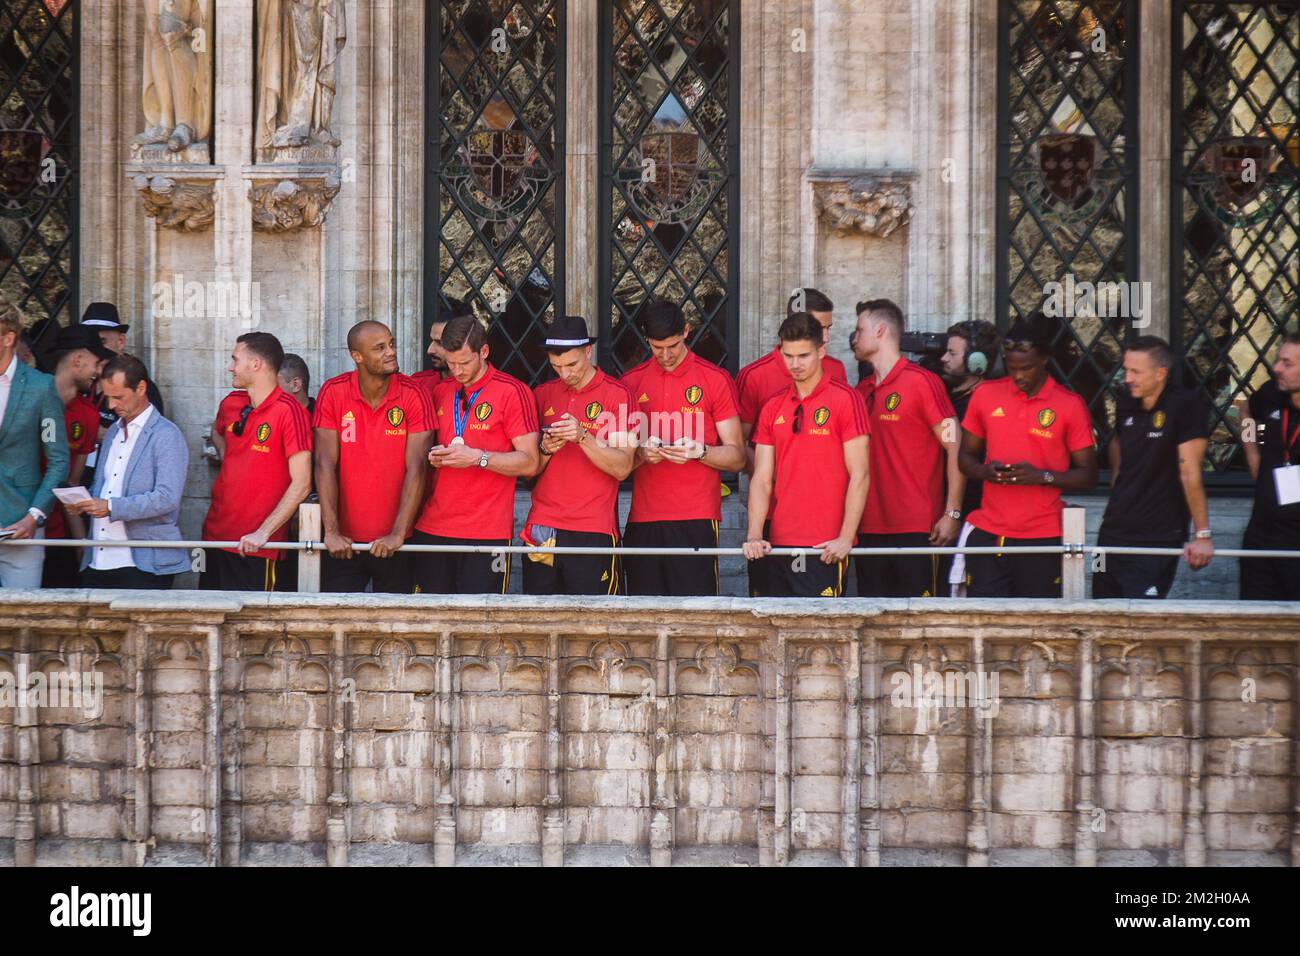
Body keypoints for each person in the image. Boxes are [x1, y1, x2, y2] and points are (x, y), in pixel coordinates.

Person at [958, 313, 1097, 598]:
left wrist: (1041, 476)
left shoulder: (1069, 405)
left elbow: (1088, 475)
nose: (1019, 376)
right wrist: (986, 472)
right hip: (989, 532)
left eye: (1027, 368)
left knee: (1037, 628)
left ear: (1044, 360)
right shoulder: (985, 395)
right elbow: (964, 458)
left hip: (1042, 536)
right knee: (983, 625)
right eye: (1012, 368)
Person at [620, 301, 746, 595]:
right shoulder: (631, 382)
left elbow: (738, 457)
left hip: (695, 517)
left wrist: (700, 452)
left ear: (687, 331)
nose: (665, 355)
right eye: (656, 347)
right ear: (645, 338)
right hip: (643, 518)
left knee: (696, 612)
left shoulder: (714, 379)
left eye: (673, 346)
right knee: (642, 612)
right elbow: (617, 460)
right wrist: (641, 455)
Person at [743, 312, 869, 598]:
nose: (795, 364)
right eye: (788, 356)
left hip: (825, 547)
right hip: (777, 543)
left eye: (803, 355)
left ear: (821, 351)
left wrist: (846, 537)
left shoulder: (846, 400)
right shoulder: (773, 406)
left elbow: (859, 473)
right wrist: (754, 535)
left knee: (822, 639)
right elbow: (762, 478)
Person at [410, 316, 539, 594]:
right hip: (432, 527)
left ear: (484, 352)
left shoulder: (512, 391)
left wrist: (478, 458)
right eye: (451, 362)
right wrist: (435, 457)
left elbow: (529, 462)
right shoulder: (441, 391)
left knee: (482, 628)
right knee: (428, 624)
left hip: (486, 533)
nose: (457, 370)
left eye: (465, 363)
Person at [851, 299, 963, 597]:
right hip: (867, 527)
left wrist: (951, 513)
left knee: (921, 627)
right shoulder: (860, 391)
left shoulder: (922, 383)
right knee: (872, 623)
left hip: (918, 528)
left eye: (859, 330)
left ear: (881, 331)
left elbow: (955, 445)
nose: (854, 338)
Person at [313, 321, 432, 593]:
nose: (391, 352)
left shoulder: (414, 394)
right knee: (337, 627)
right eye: (380, 348)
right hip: (344, 544)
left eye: (391, 344)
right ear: (357, 356)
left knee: (397, 630)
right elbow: (324, 463)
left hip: (399, 542)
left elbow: (417, 467)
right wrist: (331, 531)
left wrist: (398, 533)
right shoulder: (333, 392)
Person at [1093, 336, 1213, 599]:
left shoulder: (1186, 405)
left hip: (1157, 535)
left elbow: (1190, 471)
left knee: (1142, 616)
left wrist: (1202, 534)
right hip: (1111, 531)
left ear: (1160, 374)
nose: (1127, 378)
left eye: (1136, 371)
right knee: (1101, 608)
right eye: (1126, 370)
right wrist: (1118, 481)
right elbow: (1116, 441)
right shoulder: (1126, 402)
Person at [523, 316, 635, 595]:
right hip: (542, 526)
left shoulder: (618, 395)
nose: (565, 374)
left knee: (596, 624)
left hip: (592, 528)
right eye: (556, 366)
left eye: (572, 365)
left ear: (588, 351)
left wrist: (583, 437)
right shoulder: (542, 394)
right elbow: (528, 469)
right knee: (539, 618)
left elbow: (623, 467)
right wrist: (546, 449)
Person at [66, 353, 189, 590]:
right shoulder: (112, 431)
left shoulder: (167, 435)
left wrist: (111, 507)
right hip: (98, 560)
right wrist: (84, 503)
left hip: (144, 563)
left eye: (119, 397)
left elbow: (167, 498)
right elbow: (105, 487)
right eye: (108, 397)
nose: (111, 405)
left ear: (141, 388)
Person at [201, 332, 313, 591]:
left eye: (235, 359)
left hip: (255, 546)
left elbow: (302, 483)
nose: (230, 367)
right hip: (212, 537)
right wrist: (230, 457)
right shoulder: (230, 403)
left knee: (253, 627)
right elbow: (217, 431)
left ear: (256, 365)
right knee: (206, 617)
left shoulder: (289, 411)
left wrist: (263, 532)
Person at [0, 302, 69, 588]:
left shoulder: (41, 387)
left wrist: (35, 515)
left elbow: (59, 461)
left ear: (8, 338)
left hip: (21, 525)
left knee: (23, 626)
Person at [41, 326, 115, 588]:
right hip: (15, 527)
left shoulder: (88, 414)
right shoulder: (29, 399)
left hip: (58, 535)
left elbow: (72, 485)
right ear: (78, 359)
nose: (98, 371)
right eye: (96, 363)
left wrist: (82, 546)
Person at [939, 320, 999, 594]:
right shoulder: (948, 398)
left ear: (977, 362)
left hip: (975, 519)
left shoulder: (988, 403)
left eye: (952, 353)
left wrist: (953, 512)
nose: (944, 358)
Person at [1239, 331, 1300, 601]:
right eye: (1278, 361)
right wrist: (1253, 455)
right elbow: (1245, 410)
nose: (1276, 368)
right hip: (1261, 538)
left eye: (1287, 364)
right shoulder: (1271, 394)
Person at [80, 302, 164, 487]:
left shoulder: (142, 387)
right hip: (80, 484)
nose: (95, 349)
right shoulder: (83, 384)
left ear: (120, 342)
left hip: (118, 490)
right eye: (90, 342)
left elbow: (146, 441)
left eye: (101, 341)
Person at [412, 296, 471, 399]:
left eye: (440, 343)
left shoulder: (499, 390)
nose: (430, 350)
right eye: (432, 340)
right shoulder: (417, 385)